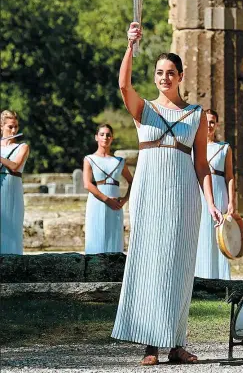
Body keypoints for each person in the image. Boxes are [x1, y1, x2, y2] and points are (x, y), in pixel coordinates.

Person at [111, 22, 223, 365]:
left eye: (170, 72)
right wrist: (131, 46)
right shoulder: (144, 108)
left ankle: (176, 344)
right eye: (160, 72)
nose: (164, 78)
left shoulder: (195, 115)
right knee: (149, 259)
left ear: (181, 75)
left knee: (178, 265)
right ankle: (150, 345)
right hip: (149, 193)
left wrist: (211, 203)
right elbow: (122, 84)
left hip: (184, 198)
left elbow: (202, 165)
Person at [195, 109, 235, 280]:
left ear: (217, 125)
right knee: (201, 235)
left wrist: (232, 202)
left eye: (212, 122)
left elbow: (230, 176)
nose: (209, 125)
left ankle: (220, 279)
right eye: (206, 121)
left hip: (220, 194)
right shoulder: (193, 148)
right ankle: (200, 276)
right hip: (200, 194)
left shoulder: (224, 148)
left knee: (220, 237)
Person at [83, 124, 133, 254]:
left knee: (114, 238)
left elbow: (132, 182)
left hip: (115, 205)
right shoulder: (89, 159)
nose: (105, 137)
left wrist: (124, 200)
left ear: (112, 138)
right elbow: (87, 184)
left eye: (108, 135)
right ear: (96, 137)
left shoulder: (119, 161)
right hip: (97, 203)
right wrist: (106, 199)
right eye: (102, 134)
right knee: (96, 238)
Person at [0, 110, 30, 254]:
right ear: (1, 126)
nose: (14, 130)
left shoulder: (22, 147)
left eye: (16, 127)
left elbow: (14, 165)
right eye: (10, 127)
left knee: (12, 229)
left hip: (12, 189)